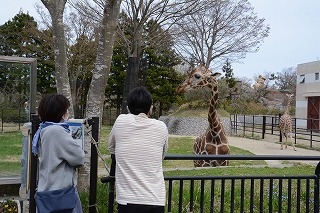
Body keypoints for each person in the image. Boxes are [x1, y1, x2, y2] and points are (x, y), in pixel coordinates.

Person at [109, 86, 169, 213]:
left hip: (127, 200)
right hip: (155, 199)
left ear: (128, 108)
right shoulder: (161, 127)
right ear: (151, 108)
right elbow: (162, 155)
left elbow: (111, 148)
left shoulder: (120, 121)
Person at [32, 94, 85, 213]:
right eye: (66, 109)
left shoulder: (44, 129)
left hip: (47, 189)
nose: (67, 112)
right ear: (61, 113)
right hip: (60, 193)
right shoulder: (57, 131)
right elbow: (79, 157)